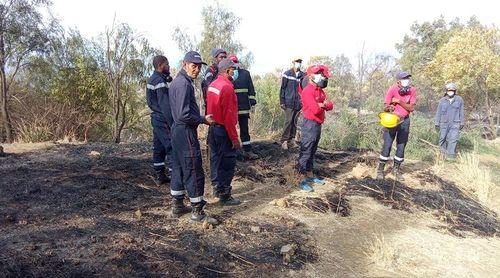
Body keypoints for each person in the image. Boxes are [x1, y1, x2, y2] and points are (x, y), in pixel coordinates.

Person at [168, 51, 217, 224]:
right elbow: (183, 114)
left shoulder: (177, 82)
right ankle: (197, 211)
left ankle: (178, 205)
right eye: (193, 66)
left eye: (198, 67)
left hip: (177, 130)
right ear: (185, 64)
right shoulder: (183, 84)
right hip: (185, 130)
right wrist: (203, 119)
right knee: (193, 167)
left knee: (179, 167)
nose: (196, 70)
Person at [206, 58, 242, 205]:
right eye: (233, 69)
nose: (235, 71)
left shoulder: (213, 84)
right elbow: (229, 116)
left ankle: (216, 187)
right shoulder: (227, 87)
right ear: (227, 71)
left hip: (213, 128)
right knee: (227, 163)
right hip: (223, 130)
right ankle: (225, 195)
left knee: (215, 159)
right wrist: (234, 138)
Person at [297, 65, 333, 192]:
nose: (323, 78)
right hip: (309, 124)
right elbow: (315, 109)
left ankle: (310, 176)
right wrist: (322, 105)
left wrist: (322, 104)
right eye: (320, 75)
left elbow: (330, 105)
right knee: (306, 152)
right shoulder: (308, 91)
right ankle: (301, 179)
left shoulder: (320, 90)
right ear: (311, 76)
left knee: (312, 151)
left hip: (317, 124)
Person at [376, 71, 417, 181]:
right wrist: (390, 107)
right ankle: (380, 170)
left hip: (405, 121)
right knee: (387, 144)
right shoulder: (392, 89)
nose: (406, 80)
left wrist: (399, 101)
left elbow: (411, 108)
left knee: (401, 145)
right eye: (404, 78)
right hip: (392, 120)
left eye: (407, 78)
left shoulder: (412, 90)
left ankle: (396, 170)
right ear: (398, 81)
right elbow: (385, 107)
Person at [146, 55, 173, 186]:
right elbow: (165, 105)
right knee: (171, 145)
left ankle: (160, 174)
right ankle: (176, 176)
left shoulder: (153, 79)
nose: (169, 67)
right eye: (167, 64)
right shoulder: (159, 81)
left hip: (155, 118)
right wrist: (172, 122)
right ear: (161, 65)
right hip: (162, 118)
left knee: (159, 146)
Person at [228, 54, 258, 159]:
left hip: (244, 108)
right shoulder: (227, 75)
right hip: (232, 110)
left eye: (235, 62)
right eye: (231, 63)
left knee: (244, 129)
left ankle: (247, 150)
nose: (234, 65)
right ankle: (233, 151)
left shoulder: (245, 74)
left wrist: (252, 101)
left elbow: (251, 88)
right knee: (231, 130)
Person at [434, 83, 465, 160]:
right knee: (442, 138)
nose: (450, 91)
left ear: (455, 91)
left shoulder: (459, 99)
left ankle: (450, 157)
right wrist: (436, 123)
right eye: (449, 90)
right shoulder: (442, 100)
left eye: (452, 90)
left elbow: (461, 111)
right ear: (446, 91)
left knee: (453, 139)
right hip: (444, 123)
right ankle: (442, 155)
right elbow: (438, 112)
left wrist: (462, 122)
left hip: (455, 123)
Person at [280, 58, 305, 150]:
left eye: (300, 62)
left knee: (294, 121)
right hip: (288, 102)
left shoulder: (303, 75)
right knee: (288, 121)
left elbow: (304, 89)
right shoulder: (287, 74)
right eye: (297, 62)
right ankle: (284, 140)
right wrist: (282, 101)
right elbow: (283, 88)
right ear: (293, 63)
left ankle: (292, 140)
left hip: (298, 103)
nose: (298, 64)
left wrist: (303, 102)